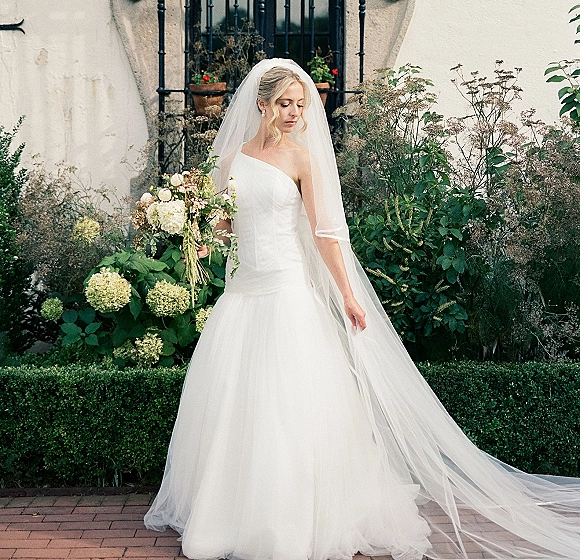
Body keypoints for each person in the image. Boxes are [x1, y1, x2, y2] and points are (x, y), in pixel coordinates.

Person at [145, 59, 580, 560]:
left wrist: (348, 293)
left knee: (286, 408)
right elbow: (227, 224)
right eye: (285, 103)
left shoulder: (303, 160)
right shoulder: (233, 158)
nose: (293, 113)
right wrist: (196, 237)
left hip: (287, 293)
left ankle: (290, 520)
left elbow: (325, 234)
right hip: (243, 295)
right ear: (261, 104)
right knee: (235, 407)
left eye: (300, 104)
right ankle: (232, 515)